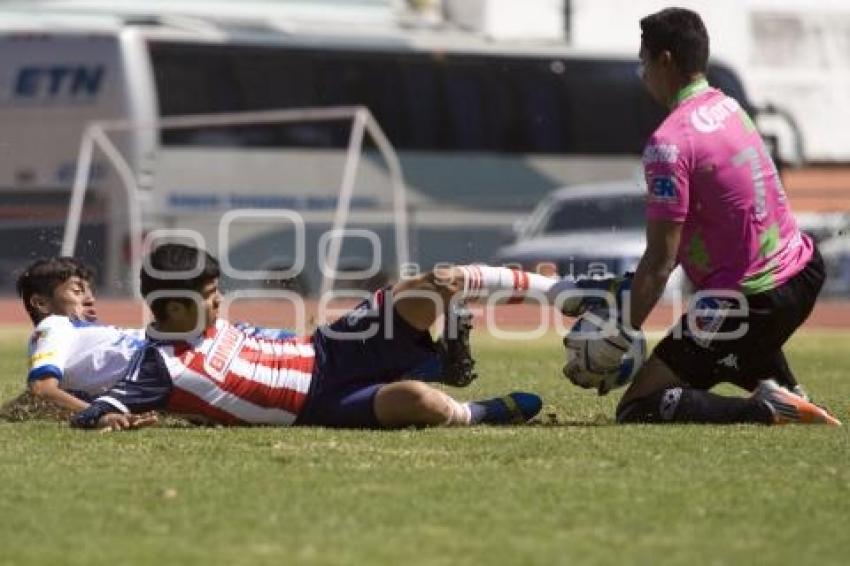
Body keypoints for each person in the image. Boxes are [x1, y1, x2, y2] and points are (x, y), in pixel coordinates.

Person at [582, 8, 840, 426]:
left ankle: (766, 408)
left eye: (643, 61)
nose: (641, 72)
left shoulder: (669, 144)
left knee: (639, 405)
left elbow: (660, 261)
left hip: (752, 300)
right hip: (802, 273)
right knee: (724, 338)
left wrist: (617, 335)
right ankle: (786, 391)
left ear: (664, 60)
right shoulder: (729, 107)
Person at [70, 244, 560, 430]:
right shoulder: (158, 368)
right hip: (318, 403)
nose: (220, 302)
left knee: (437, 282)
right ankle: (477, 410)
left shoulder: (210, 324)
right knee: (419, 402)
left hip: (329, 347)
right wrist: (109, 420)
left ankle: (566, 294)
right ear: (174, 307)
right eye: (211, 295)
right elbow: (96, 411)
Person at [18, 257, 145, 412]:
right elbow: (41, 389)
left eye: (90, 291)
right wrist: (98, 415)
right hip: (164, 360)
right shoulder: (54, 324)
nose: (91, 299)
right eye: (77, 291)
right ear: (42, 304)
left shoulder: (83, 335)